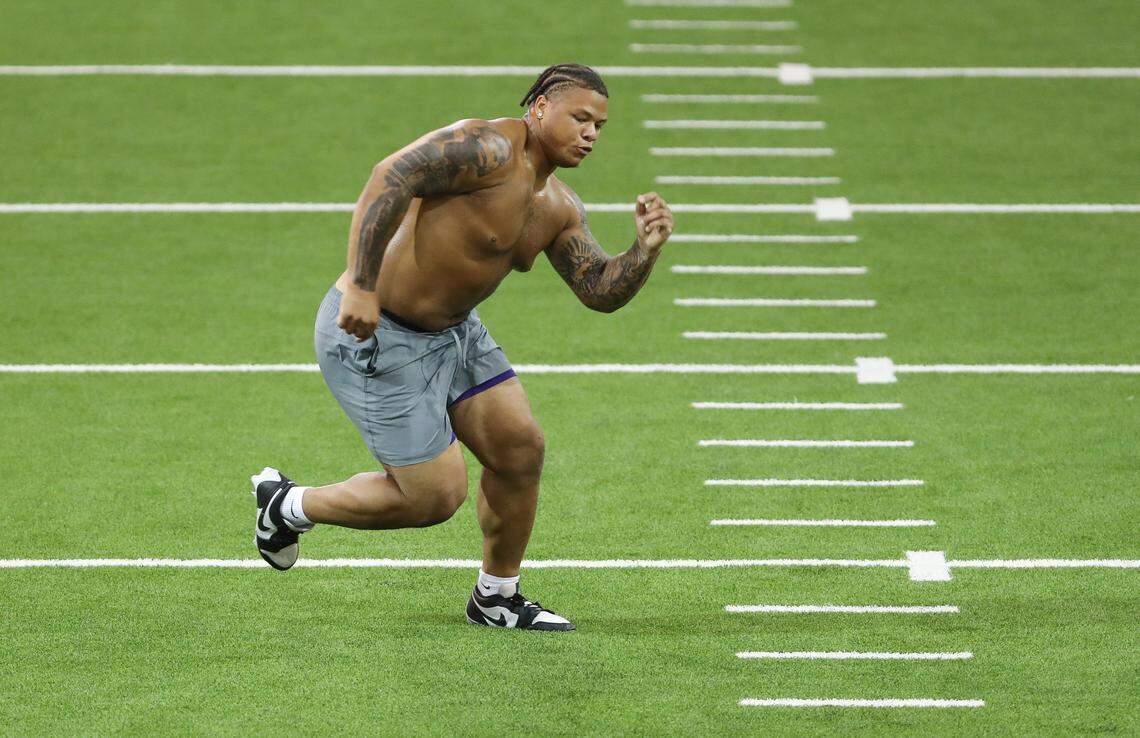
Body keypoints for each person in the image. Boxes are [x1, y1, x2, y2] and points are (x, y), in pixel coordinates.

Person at [250, 63, 674, 631]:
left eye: (599, 124)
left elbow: (597, 289)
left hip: (455, 333)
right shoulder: (487, 148)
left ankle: (496, 597)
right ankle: (287, 506)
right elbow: (391, 175)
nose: (591, 133)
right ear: (541, 106)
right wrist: (361, 283)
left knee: (519, 449)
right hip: (378, 334)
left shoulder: (559, 207)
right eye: (580, 118)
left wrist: (643, 252)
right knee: (432, 498)